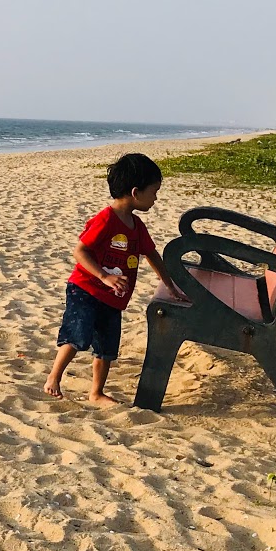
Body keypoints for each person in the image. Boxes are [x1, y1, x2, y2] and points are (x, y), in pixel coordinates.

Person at [44, 152, 183, 404]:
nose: (156, 198)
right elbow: (80, 251)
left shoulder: (137, 226)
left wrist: (168, 283)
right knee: (78, 335)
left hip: (113, 298)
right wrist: (104, 276)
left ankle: (96, 392)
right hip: (85, 289)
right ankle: (54, 376)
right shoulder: (106, 219)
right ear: (135, 192)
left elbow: (152, 254)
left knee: (107, 347)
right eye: (154, 192)